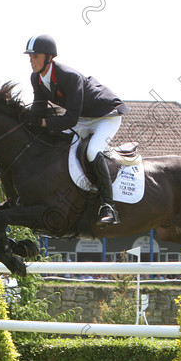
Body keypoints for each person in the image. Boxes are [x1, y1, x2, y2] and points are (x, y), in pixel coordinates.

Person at [22, 34, 130, 225]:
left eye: (35, 56)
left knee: (92, 151)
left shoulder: (68, 76)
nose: (31, 61)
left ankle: (108, 206)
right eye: (30, 57)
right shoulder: (36, 78)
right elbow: (38, 109)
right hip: (83, 118)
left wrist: (44, 123)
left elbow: (69, 119)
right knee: (56, 142)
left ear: (49, 57)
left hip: (106, 116)